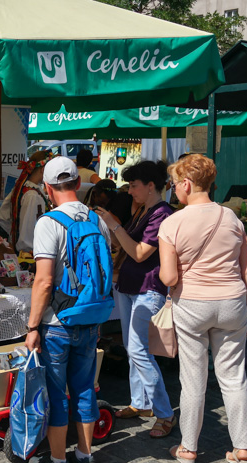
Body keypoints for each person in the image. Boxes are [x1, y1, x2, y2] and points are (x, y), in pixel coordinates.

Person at [157, 154, 247, 463]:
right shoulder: (232, 219)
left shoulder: (172, 223)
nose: (174, 189)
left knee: (193, 380)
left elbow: (169, 278)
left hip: (193, 304)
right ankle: (243, 448)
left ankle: (188, 448)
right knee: (233, 377)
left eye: (175, 184)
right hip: (232, 302)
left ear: (187, 184)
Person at [26, 156, 111, 463]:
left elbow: (44, 281)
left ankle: (58, 462)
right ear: (78, 183)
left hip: (57, 323)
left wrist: (32, 326)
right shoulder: (97, 219)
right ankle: (85, 458)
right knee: (85, 388)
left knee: (56, 392)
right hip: (90, 317)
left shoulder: (48, 222)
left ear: (48, 188)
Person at [94, 161, 176, 438]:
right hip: (131, 286)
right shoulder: (145, 211)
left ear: (151, 186)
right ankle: (141, 403)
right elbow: (124, 244)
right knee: (133, 348)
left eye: (133, 186)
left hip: (147, 288)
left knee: (139, 350)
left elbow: (139, 253)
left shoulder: (162, 214)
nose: (129, 191)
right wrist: (111, 227)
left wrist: (114, 225)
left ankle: (165, 413)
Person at [0, 151, 51, 253]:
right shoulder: (32, 195)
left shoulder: (21, 188)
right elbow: (28, 234)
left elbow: (3, 217)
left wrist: (15, 234)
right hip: (30, 254)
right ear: (43, 169)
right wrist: (24, 244)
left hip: (22, 250)